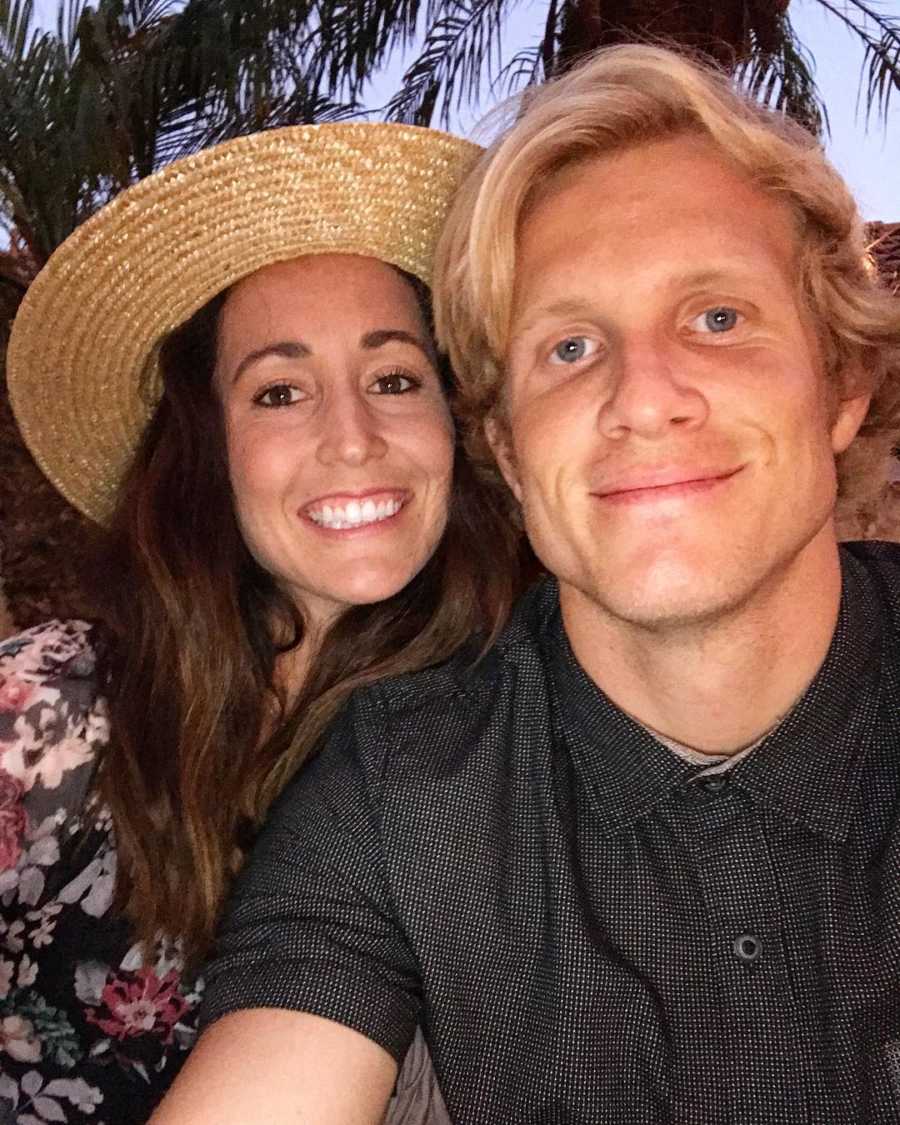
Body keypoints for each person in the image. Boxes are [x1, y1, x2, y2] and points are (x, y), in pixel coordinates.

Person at [151, 45, 900, 1125]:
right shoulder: (402, 793)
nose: (644, 399)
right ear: (502, 443)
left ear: (840, 385)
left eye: (717, 319)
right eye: (571, 345)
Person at [0, 122, 520, 1123]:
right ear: (210, 452)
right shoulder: (45, 713)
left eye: (395, 379)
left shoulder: (510, 731)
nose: (353, 437)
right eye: (280, 392)